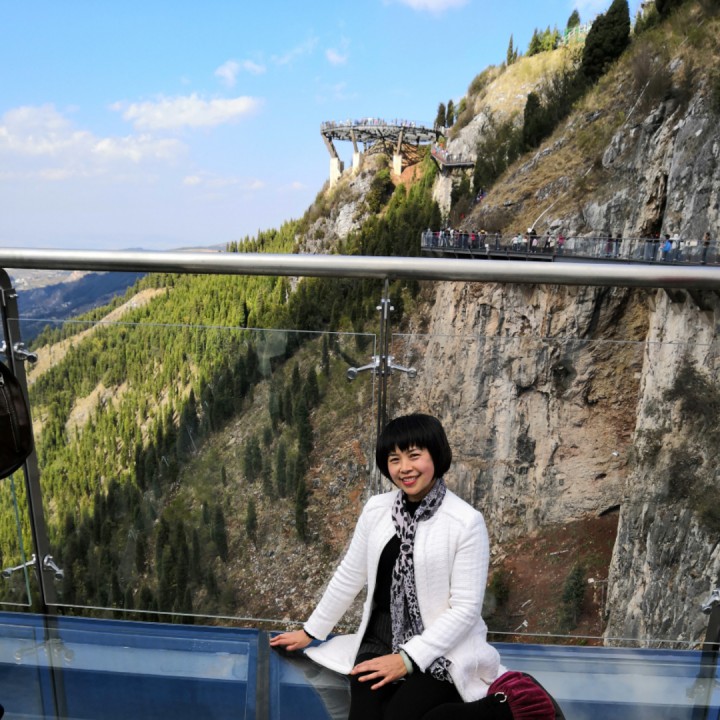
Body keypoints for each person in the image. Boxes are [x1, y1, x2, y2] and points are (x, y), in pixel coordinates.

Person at [270, 413, 503, 720]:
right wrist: (311, 631)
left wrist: (407, 659)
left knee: (398, 715)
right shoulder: (377, 510)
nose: (404, 468)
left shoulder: (465, 522)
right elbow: (350, 574)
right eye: (394, 459)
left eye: (414, 456)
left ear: (436, 455)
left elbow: (465, 609)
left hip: (443, 649)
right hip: (380, 639)